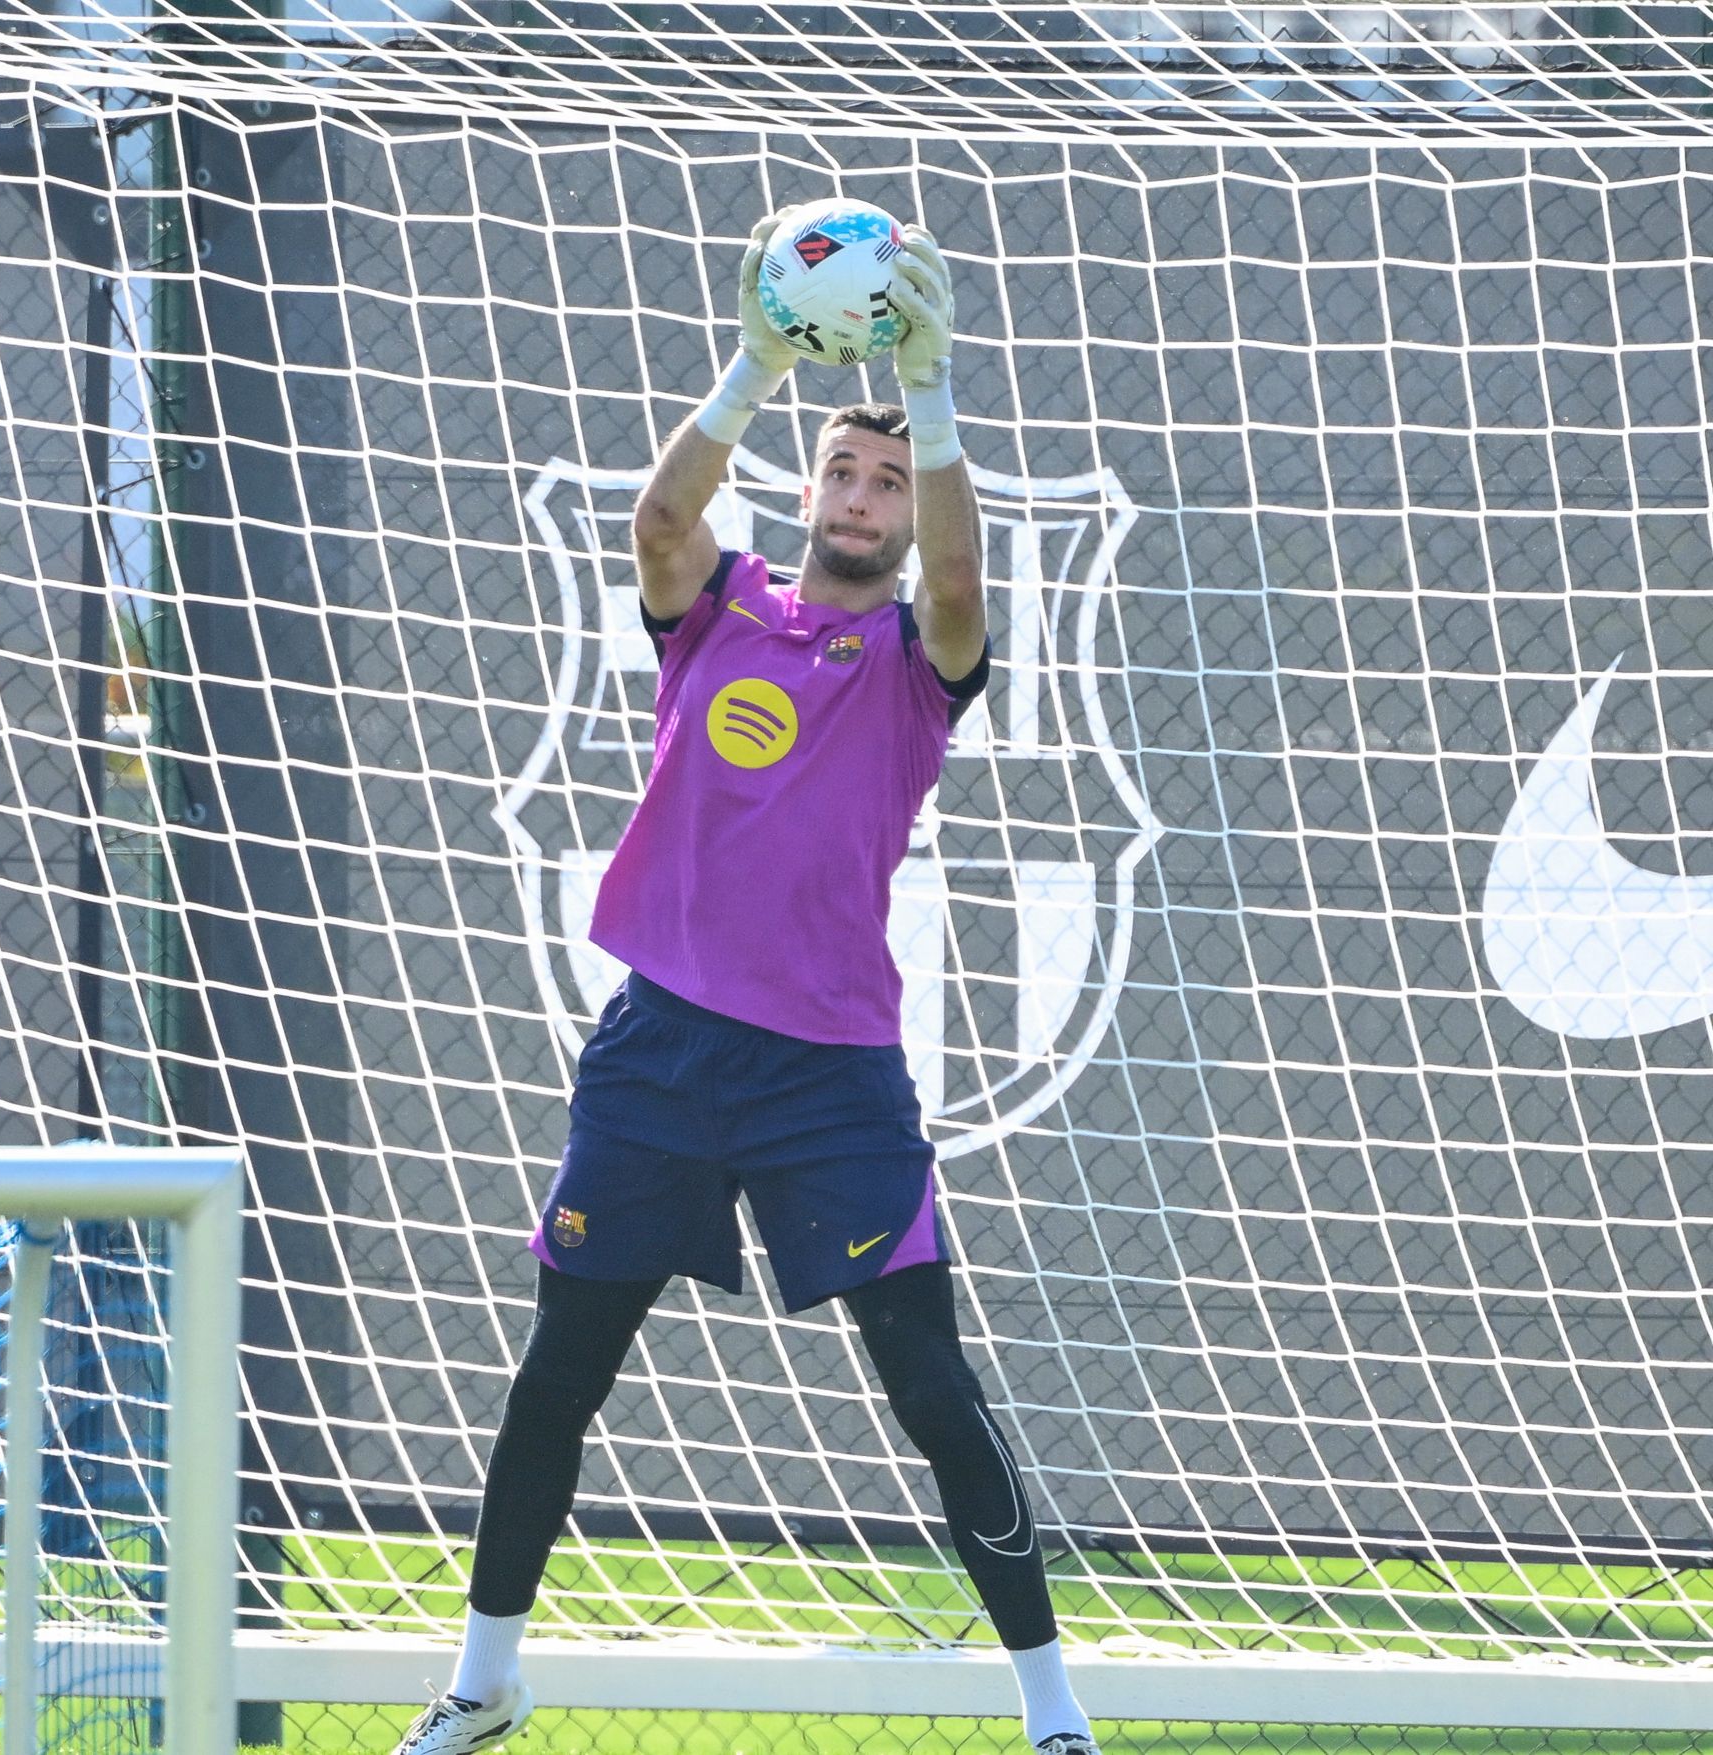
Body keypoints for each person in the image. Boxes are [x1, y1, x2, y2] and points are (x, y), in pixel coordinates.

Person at [388, 217, 1099, 1755]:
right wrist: (759, 362)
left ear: (909, 520)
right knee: (560, 1369)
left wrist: (937, 389)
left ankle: (1053, 1710)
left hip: (829, 1076)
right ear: (811, 487)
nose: (862, 497)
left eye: (888, 483)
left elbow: (972, 576)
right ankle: (482, 1681)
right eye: (846, 472)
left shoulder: (925, 654)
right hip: (656, 1052)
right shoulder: (719, 605)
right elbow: (656, 516)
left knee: (929, 1379)